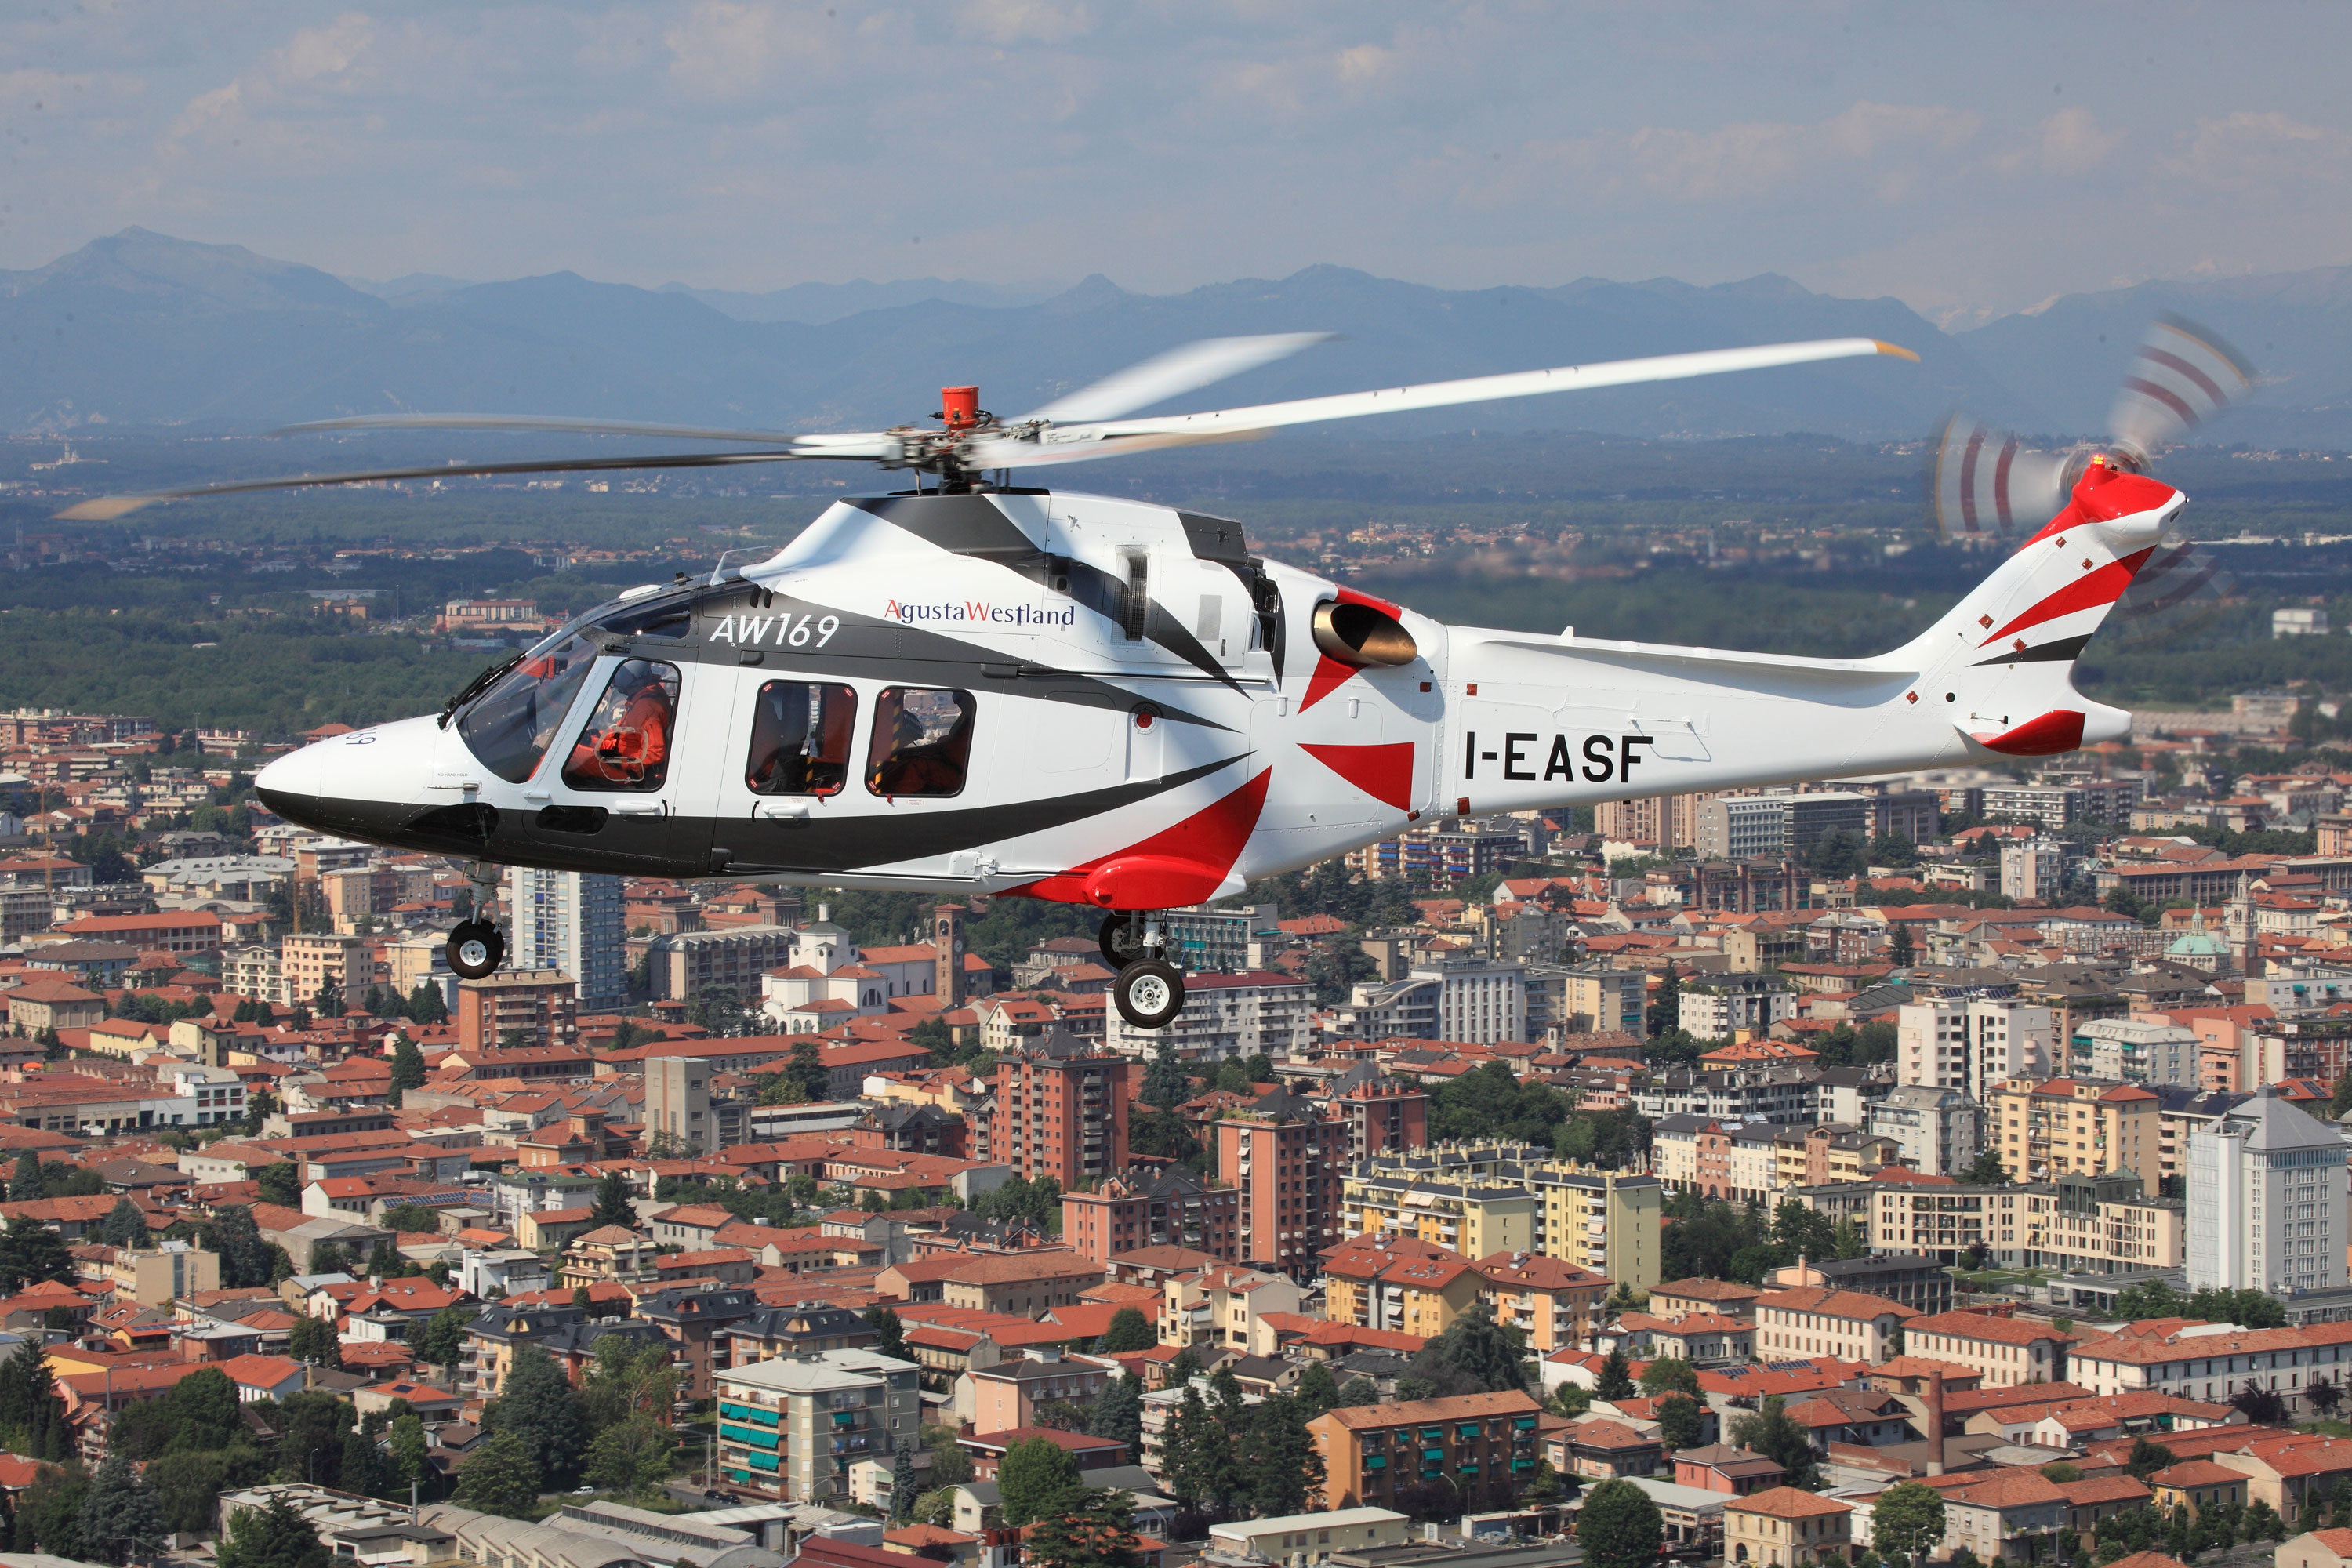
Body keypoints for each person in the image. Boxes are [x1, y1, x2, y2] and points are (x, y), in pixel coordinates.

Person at [566, 662, 673, 787]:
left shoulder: (646, 707)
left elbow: (656, 753)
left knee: (570, 753)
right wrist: (594, 738)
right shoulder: (644, 695)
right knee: (574, 743)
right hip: (621, 754)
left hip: (630, 773)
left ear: (629, 678)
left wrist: (622, 763)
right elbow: (626, 734)